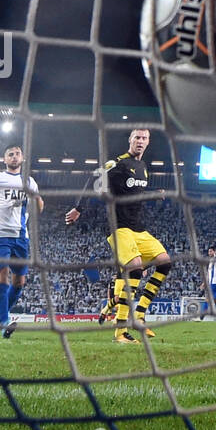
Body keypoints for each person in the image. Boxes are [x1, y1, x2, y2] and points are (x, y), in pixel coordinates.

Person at [65, 129, 171, 344]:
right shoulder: (118, 163)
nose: (140, 141)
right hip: (118, 226)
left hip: (138, 228)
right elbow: (95, 178)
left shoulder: (143, 168)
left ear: (148, 142)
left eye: (144, 138)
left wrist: (153, 195)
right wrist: (78, 208)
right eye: (137, 138)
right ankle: (120, 331)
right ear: (130, 140)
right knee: (135, 267)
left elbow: (135, 194)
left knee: (165, 262)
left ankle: (139, 315)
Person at [0, 144, 44, 338]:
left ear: (22, 158)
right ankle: (5, 322)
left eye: (17, 154)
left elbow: (38, 208)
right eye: (10, 155)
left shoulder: (29, 182)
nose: (14, 157)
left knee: (19, 282)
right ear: (4, 160)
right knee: (1, 276)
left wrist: (38, 200)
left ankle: (1, 312)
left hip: (21, 236)